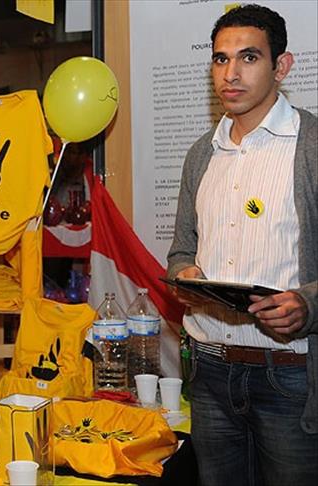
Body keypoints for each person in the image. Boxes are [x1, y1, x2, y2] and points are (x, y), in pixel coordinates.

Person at [167, 4, 317, 485]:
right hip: (208, 372)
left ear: (281, 66)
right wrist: (184, 274)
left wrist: (308, 304)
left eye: (248, 57)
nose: (230, 73)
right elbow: (181, 250)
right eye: (220, 59)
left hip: (290, 376)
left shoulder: (312, 147)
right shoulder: (201, 154)